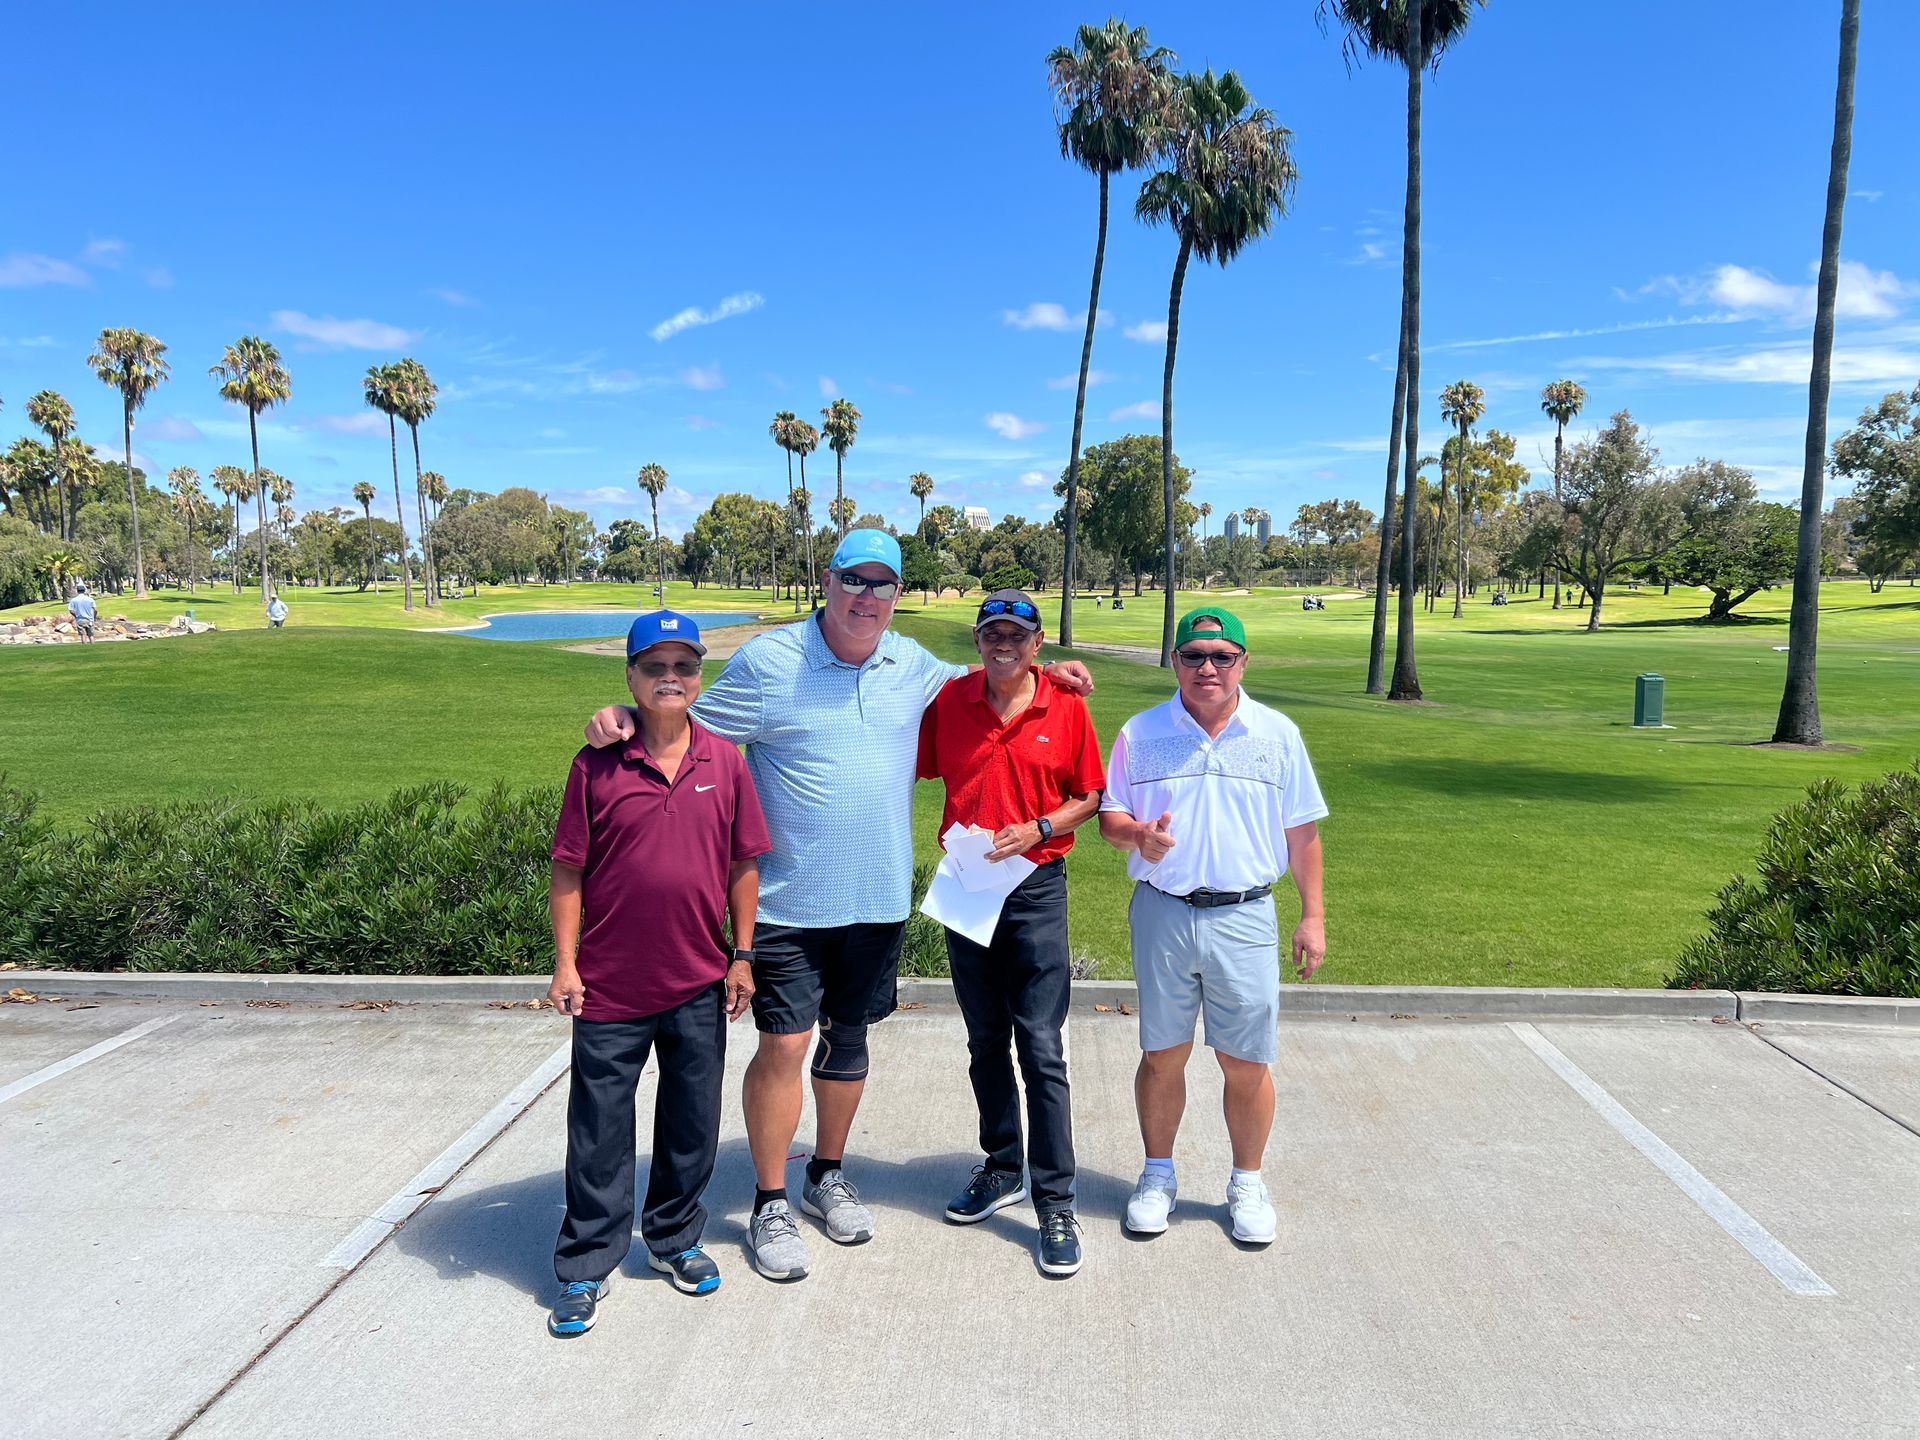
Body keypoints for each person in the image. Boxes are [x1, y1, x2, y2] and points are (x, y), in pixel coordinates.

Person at [581, 531, 1092, 1282]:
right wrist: (621, 718)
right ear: (828, 580)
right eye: (855, 580)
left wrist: (1052, 673)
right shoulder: (771, 661)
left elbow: (988, 674)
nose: (866, 597)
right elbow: (685, 726)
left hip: (876, 901)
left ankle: (826, 1173)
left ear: (897, 596)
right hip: (788, 901)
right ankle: (769, 1201)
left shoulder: (910, 664)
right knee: (785, 1046)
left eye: (882, 585)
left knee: (847, 1044)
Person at [545, 610, 772, 1337]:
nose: (670, 678)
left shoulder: (725, 762)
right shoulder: (595, 764)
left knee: (691, 1123)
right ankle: (585, 1264)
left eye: (684, 666)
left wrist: (743, 956)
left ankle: (673, 1239)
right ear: (631, 676)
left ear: (699, 675)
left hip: (698, 979)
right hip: (610, 985)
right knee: (599, 1132)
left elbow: (743, 862)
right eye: (654, 667)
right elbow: (568, 870)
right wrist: (565, 964)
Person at [1098, 604, 1328, 1247]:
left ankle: (1247, 1182)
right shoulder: (1140, 732)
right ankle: (1157, 1176)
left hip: (1246, 915)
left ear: (1242, 663)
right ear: (1175, 661)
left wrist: (1312, 916)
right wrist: (1137, 836)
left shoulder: (1277, 733)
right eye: (1194, 656)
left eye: (1222, 656)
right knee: (1161, 1054)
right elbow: (1111, 818)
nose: (1208, 668)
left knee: (1246, 1060)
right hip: (1163, 913)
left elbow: (1302, 831)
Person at [916, 589, 1105, 1277]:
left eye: (1016, 636)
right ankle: (1002, 1166)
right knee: (984, 1038)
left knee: (1042, 1046)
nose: (1003, 644)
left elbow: (1090, 795)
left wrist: (1040, 828)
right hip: (968, 882)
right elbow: (904, 756)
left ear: (1037, 643)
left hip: (1036, 887)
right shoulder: (950, 701)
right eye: (992, 633)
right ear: (977, 640)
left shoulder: (1067, 706)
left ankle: (1055, 1199)